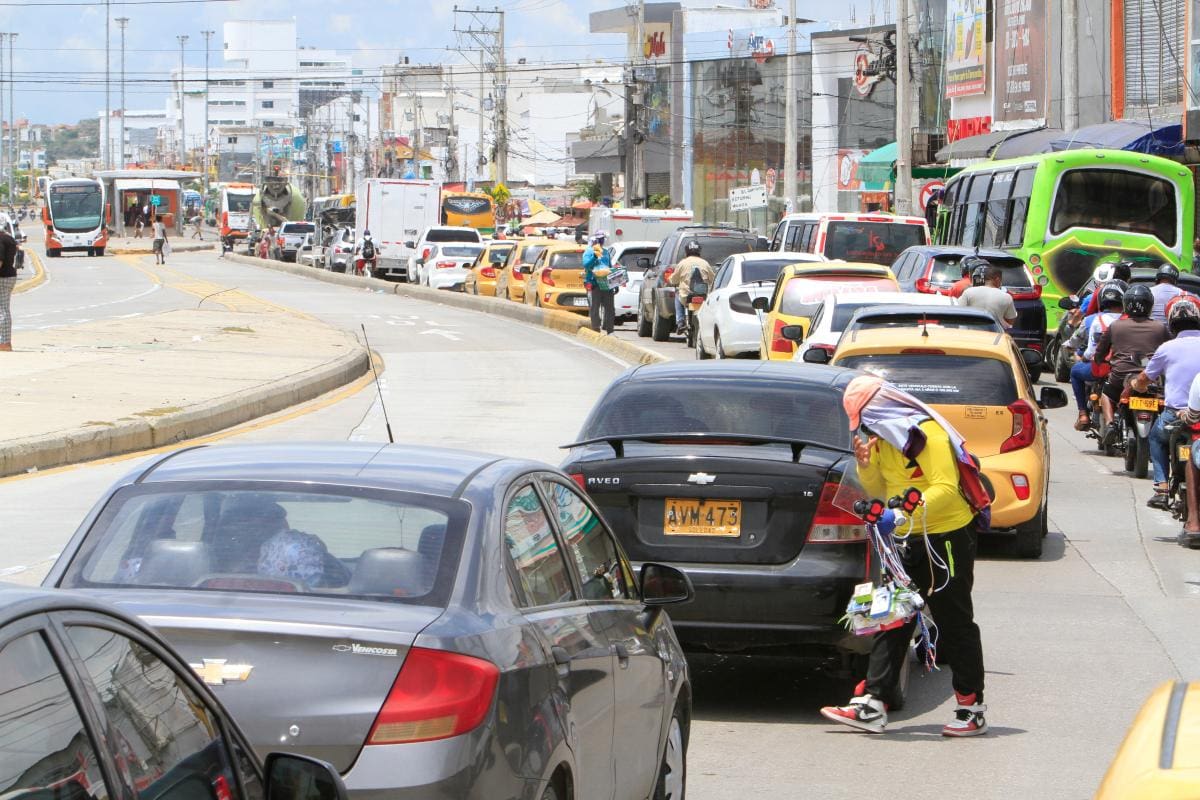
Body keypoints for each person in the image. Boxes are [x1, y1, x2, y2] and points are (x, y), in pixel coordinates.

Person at [820, 375, 990, 737]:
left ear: (882, 411)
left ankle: (971, 708)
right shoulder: (883, 442)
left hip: (945, 539)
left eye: (867, 421)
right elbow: (882, 489)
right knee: (892, 617)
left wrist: (902, 514)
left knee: (954, 622)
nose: (867, 430)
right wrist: (865, 465)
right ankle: (873, 704)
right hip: (904, 540)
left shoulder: (927, 435)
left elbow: (945, 487)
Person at [1131, 296, 1200, 507]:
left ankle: (1161, 487)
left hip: (1174, 414)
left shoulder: (1167, 348)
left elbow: (1144, 378)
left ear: (1171, 324)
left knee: (1155, 437)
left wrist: (1137, 385)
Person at [1094, 284, 1169, 441]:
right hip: (1151, 379)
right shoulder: (1160, 327)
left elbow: (1099, 353)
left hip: (1120, 378)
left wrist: (1100, 360)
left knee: (1106, 393)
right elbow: (1171, 350)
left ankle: (1109, 425)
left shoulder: (1115, 326)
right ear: (1150, 305)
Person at [1067, 281, 1126, 430]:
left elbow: (1091, 350)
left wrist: (1086, 358)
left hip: (1101, 368)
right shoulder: (1128, 320)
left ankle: (1082, 414)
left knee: (1075, 372)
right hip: (1125, 369)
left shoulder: (1095, 319)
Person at [668, 240, 713, 336]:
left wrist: (671, 280)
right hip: (703, 297)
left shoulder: (682, 263)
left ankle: (680, 322)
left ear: (686, 251)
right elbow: (713, 279)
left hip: (686, 297)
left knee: (677, 294)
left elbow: (674, 279)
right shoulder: (705, 263)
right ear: (699, 251)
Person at [957, 263, 1017, 328]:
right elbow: (1010, 320)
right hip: (994, 332)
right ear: (997, 279)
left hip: (970, 331)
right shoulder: (1006, 297)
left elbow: (959, 312)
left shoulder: (968, 292)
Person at [582, 230, 617, 334]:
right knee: (595, 308)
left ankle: (610, 331)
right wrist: (594, 257)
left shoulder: (606, 252)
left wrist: (615, 283)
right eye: (599, 239)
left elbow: (609, 267)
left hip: (606, 284)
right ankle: (596, 329)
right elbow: (586, 265)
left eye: (602, 239)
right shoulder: (589, 251)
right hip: (594, 284)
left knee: (610, 308)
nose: (600, 241)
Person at [0, 222, 18, 352]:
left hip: (3, 277)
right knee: (4, 308)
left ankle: (4, 343)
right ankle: (5, 342)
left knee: (2, 310)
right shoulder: (9, 238)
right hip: (10, 276)